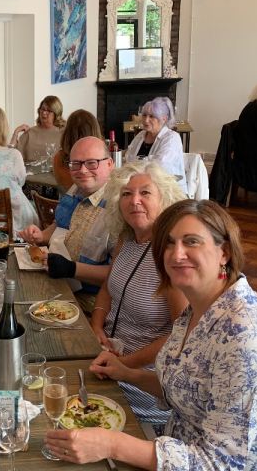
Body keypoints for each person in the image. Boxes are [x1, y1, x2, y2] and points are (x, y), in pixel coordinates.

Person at [45, 199, 257, 469]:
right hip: (176, 446)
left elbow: (221, 463)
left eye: (191, 242)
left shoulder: (246, 339)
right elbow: (189, 388)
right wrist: (127, 373)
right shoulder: (199, 307)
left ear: (224, 252)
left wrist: (112, 444)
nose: (176, 255)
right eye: (168, 243)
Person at [89, 160, 187, 434]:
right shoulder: (126, 240)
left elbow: (182, 333)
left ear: (164, 200)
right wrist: (96, 327)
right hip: (107, 356)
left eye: (145, 193)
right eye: (126, 194)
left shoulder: (172, 257)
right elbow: (107, 288)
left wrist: (124, 364)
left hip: (143, 380)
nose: (134, 201)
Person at [18, 136, 113, 311]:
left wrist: (70, 269)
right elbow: (60, 224)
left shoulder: (119, 207)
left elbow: (120, 275)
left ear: (109, 164)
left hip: (91, 300)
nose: (82, 170)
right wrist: (41, 236)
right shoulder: (76, 188)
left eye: (92, 163)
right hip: (59, 280)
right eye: (75, 164)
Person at [124, 97, 186, 193]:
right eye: (144, 115)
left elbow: (159, 166)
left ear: (164, 119)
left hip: (167, 190)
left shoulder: (172, 138)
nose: (146, 120)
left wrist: (137, 162)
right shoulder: (141, 135)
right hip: (141, 185)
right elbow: (128, 158)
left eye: (152, 116)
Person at [52, 109, 102, 192]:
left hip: (64, 199)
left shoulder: (58, 158)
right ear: (94, 131)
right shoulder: (98, 160)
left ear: (67, 132)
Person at [9, 95, 65, 162]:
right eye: (43, 109)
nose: (44, 113)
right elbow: (10, 156)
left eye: (49, 110)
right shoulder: (29, 133)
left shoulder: (63, 133)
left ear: (56, 113)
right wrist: (16, 132)